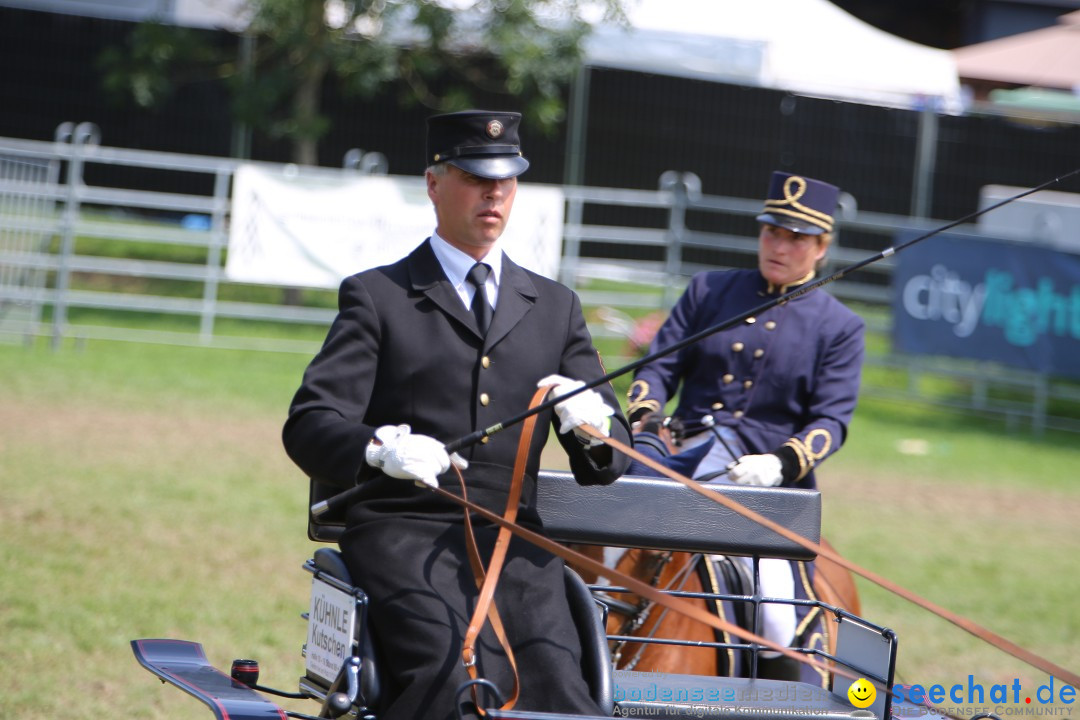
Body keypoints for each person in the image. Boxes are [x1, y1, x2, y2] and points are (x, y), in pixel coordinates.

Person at [282, 109, 631, 720]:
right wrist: (377, 450)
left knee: (561, 691)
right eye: (474, 176)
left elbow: (610, 460)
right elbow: (310, 423)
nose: (493, 192)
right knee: (447, 679)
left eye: (507, 179)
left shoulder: (555, 307)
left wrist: (590, 426)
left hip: (514, 545)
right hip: (404, 533)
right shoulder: (379, 296)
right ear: (433, 183)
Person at [625, 170, 865, 684]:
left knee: (777, 618)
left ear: (821, 247)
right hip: (676, 464)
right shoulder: (709, 291)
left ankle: (794, 699)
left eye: (796, 238)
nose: (779, 245)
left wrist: (781, 463)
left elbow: (831, 421)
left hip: (763, 488)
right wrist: (645, 422)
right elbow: (658, 368)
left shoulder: (839, 327)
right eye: (771, 231)